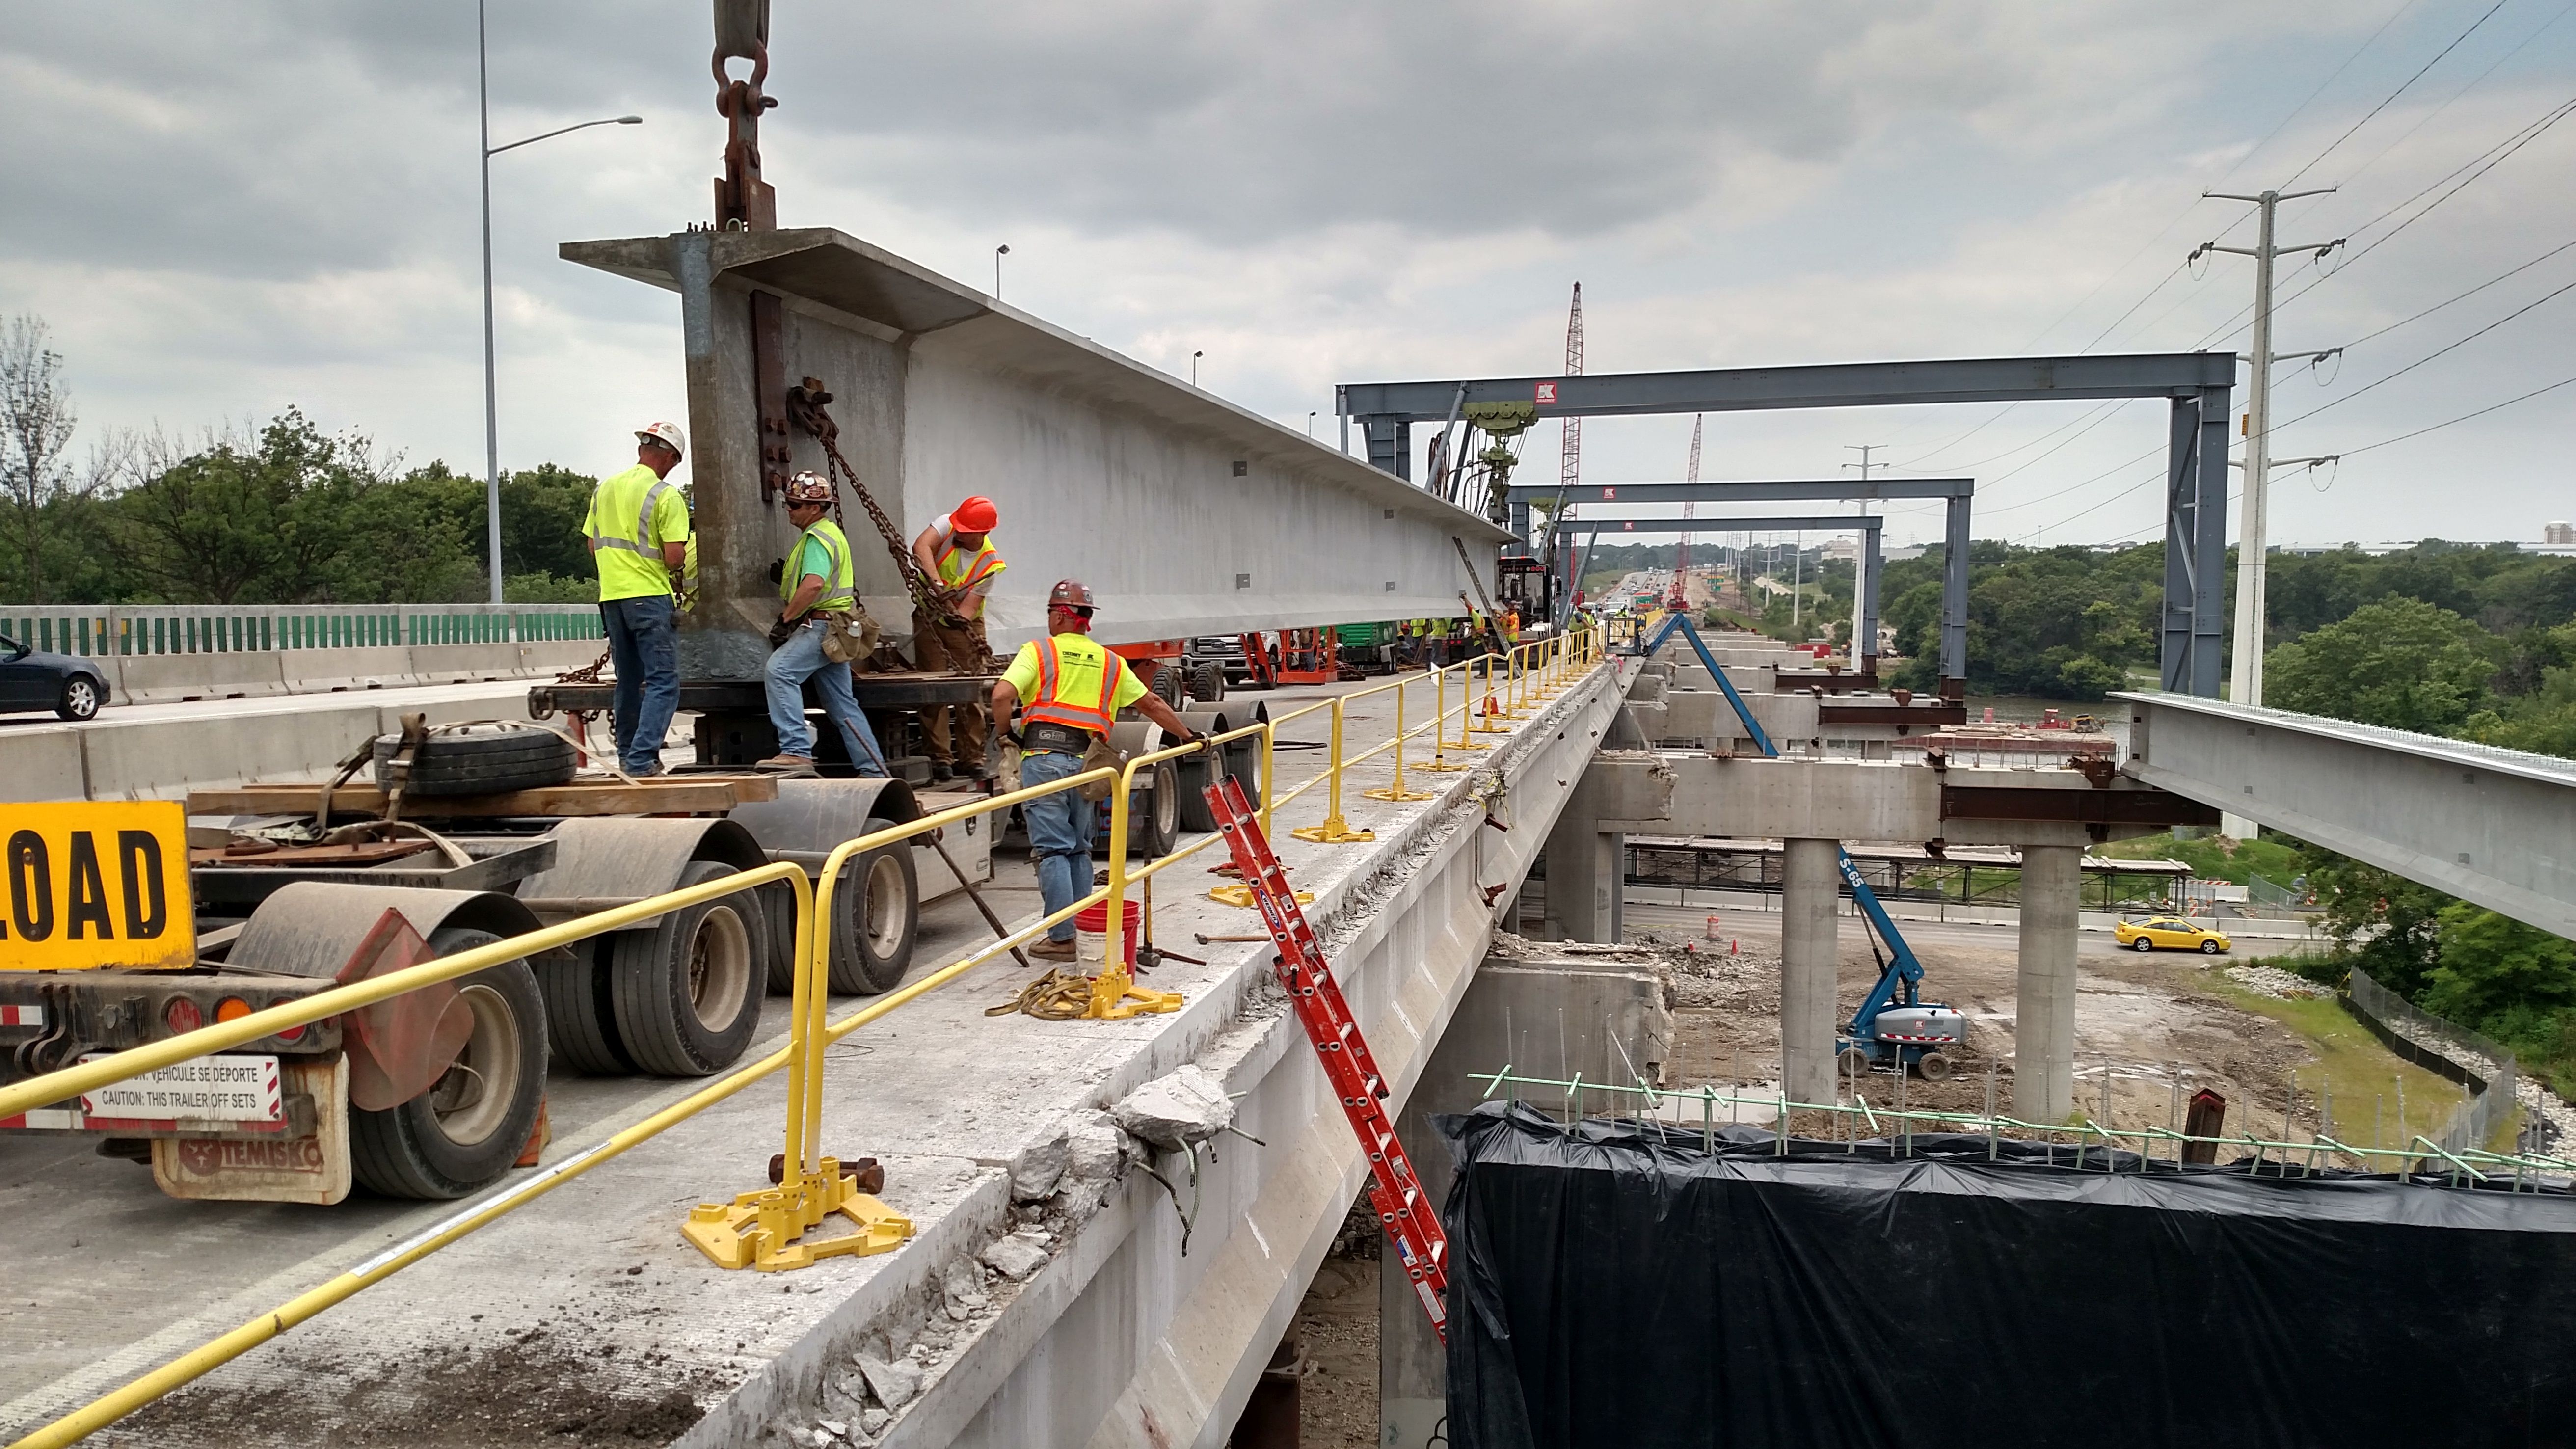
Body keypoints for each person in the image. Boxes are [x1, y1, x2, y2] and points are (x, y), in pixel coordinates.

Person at [992, 579, 1201, 961]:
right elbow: (1152, 703)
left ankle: (1061, 937)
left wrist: (1006, 735)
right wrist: (1189, 735)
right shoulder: (1111, 662)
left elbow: (1002, 696)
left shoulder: (1038, 652)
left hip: (1044, 758)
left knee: (1053, 849)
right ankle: (1080, 932)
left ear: (1058, 616)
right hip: (1089, 765)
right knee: (1079, 848)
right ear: (1087, 620)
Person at [758, 472, 889, 777]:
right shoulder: (831, 533)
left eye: (794, 504)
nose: (788, 509)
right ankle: (874, 771)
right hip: (837, 630)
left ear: (814, 509)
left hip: (821, 626)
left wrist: (786, 617)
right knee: (843, 706)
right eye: (788, 503)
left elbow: (815, 584)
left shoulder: (816, 538)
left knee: (779, 671)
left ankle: (795, 750)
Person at [585, 421, 690, 777]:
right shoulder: (665, 495)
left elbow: (591, 544)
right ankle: (643, 759)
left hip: (612, 598)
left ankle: (628, 757)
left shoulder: (606, 489)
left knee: (628, 679)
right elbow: (675, 556)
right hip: (649, 596)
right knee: (663, 681)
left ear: (641, 450)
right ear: (672, 460)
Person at [909, 495, 1007, 783]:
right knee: (934, 686)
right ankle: (940, 757)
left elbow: (970, 608)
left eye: (966, 530)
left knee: (969, 691)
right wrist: (937, 585)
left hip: (965, 623)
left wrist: (954, 615)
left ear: (982, 533)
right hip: (929, 618)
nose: (959, 532)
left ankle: (972, 757)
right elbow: (921, 546)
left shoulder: (989, 564)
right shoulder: (947, 524)